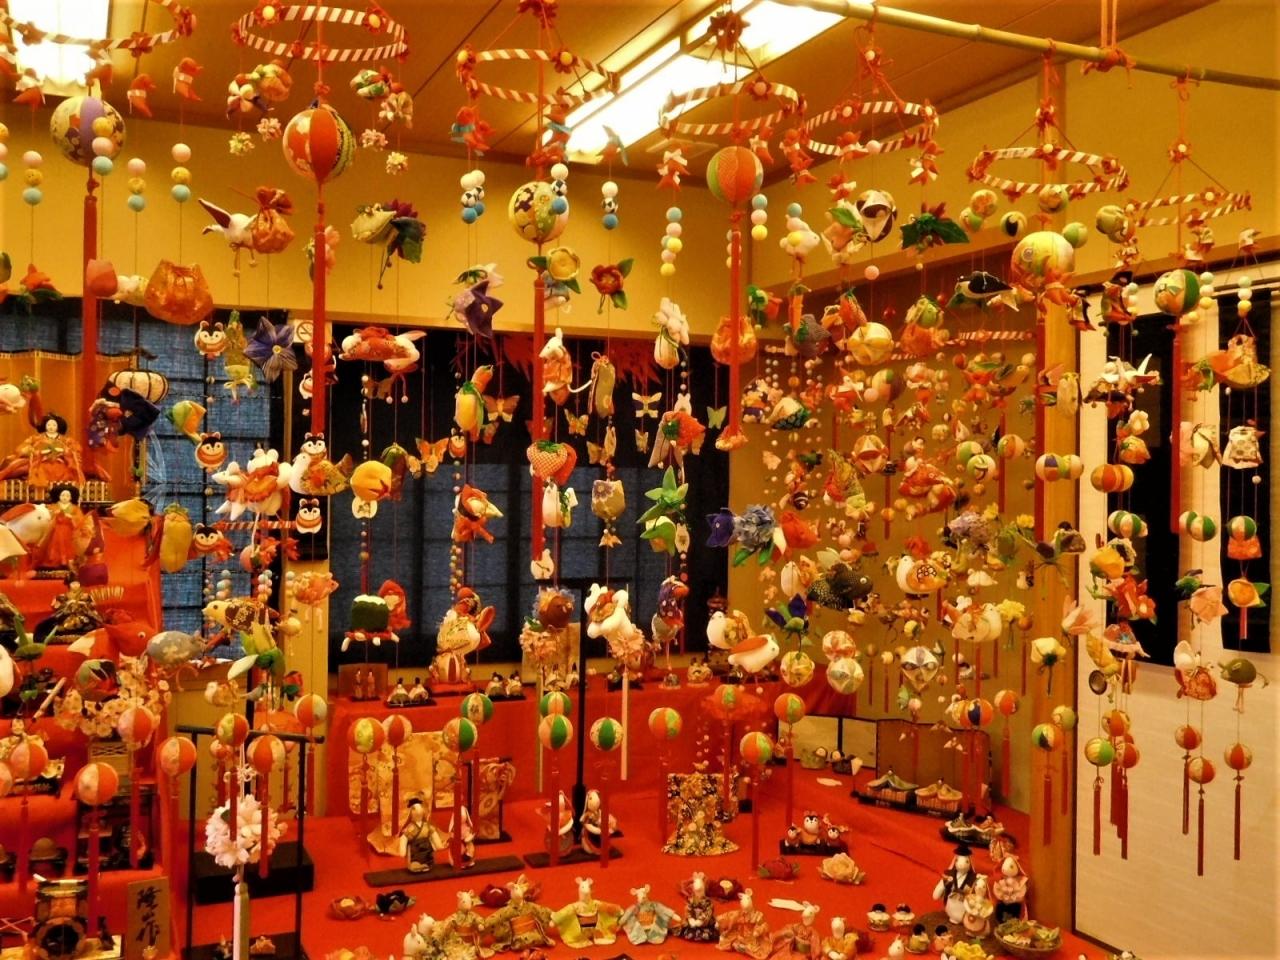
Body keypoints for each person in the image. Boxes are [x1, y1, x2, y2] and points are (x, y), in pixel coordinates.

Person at [0, 413, 86, 496]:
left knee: (64, 472)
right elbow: (22, 448)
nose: (51, 427)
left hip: (59, 464)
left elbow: (76, 450)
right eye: (49, 425)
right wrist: (37, 452)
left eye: (54, 425)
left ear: (58, 426)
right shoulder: (36, 438)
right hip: (40, 462)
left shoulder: (66, 440)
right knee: (19, 468)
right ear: (45, 425)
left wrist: (64, 451)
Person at [716, 888, 772, 959]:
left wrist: (757, 931)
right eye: (744, 910)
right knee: (731, 941)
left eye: (746, 910)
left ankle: (744, 948)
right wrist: (719, 920)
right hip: (740, 935)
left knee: (755, 948)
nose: (745, 912)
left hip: (751, 938)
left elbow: (763, 925)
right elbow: (730, 916)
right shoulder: (740, 913)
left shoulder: (757, 916)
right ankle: (739, 946)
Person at [931, 844, 978, 926]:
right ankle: (953, 917)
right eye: (957, 861)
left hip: (965, 909)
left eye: (967, 861)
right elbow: (940, 889)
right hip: (951, 906)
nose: (961, 865)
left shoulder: (973, 879)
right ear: (955, 861)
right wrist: (939, 890)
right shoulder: (949, 875)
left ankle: (965, 919)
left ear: (970, 863)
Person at [398, 798, 440, 873]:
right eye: (414, 809)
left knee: (427, 861)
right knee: (415, 864)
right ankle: (416, 867)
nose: (417, 812)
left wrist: (437, 844)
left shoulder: (427, 826)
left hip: (427, 849)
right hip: (415, 850)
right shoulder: (410, 828)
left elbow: (433, 833)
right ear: (410, 813)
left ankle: (427, 865)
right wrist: (403, 850)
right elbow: (404, 837)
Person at [678, 872, 718, 943]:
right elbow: (688, 909)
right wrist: (690, 919)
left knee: (706, 934)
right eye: (697, 891)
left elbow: (708, 913)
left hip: (705, 924)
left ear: (704, 890)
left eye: (700, 891)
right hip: (693, 921)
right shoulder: (691, 900)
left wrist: (700, 921)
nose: (699, 893)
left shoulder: (708, 902)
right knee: (686, 930)